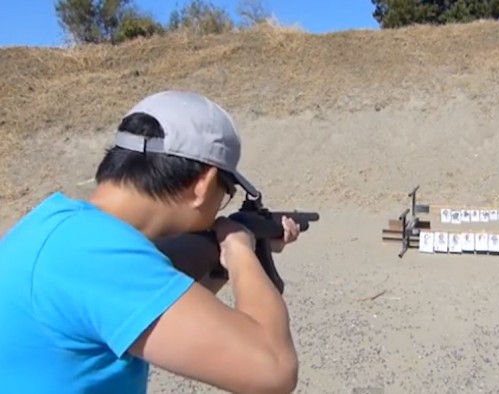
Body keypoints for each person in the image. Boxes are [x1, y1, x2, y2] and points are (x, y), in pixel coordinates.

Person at [0, 91, 301, 394]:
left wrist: (229, 262)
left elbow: (171, 307)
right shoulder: (101, 255)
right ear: (203, 184)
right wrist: (239, 251)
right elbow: (273, 370)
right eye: (225, 193)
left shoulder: (59, 227)